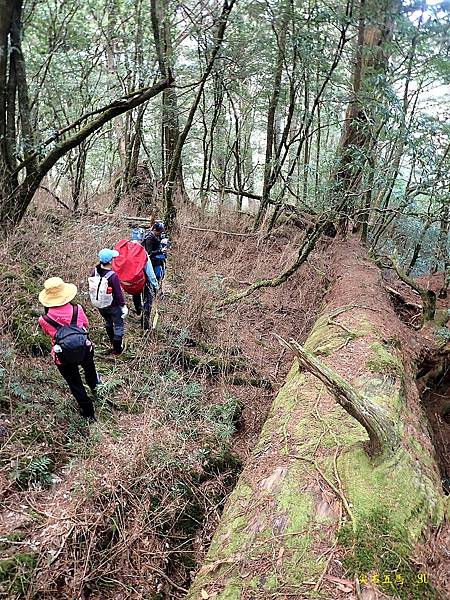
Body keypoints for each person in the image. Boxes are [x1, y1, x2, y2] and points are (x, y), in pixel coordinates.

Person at [38, 277, 99, 420]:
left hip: (62, 356)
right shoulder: (77, 309)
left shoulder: (44, 320)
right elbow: (86, 325)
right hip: (84, 348)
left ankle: (88, 413)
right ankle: (97, 391)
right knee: (90, 371)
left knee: (75, 383)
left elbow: (50, 334)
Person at [92, 248, 128, 355]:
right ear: (110, 261)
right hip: (112, 305)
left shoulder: (94, 271)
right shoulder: (112, 276)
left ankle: (112, 341)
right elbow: (118, 293)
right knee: (118, 325)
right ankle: (117, 349)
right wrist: (123, 306)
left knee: (108, 322)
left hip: (100, 305)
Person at [129, 227, 159, 329]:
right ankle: (145, 324)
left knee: (135, 293)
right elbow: (150, 272)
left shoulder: (125, 248)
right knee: (148, 300)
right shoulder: (142, 252)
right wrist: (156, 285)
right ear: (141, 238)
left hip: (130, 280)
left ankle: (138, 310)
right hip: (143, 280)